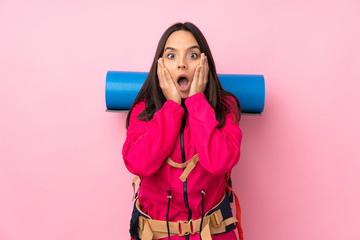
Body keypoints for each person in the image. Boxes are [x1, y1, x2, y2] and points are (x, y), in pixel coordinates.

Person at [122, 22, 243, 240]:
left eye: (193, 55)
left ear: (205, 63)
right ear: (160, 66)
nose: (182, 64)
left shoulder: (225, 107)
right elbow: (138, 163)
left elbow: (219, 162)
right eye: (171, 56)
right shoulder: (144, 111)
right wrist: (172, 108)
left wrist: (197, 102)